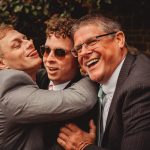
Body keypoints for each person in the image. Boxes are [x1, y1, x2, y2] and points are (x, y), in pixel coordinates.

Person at [57, 14, 150, 150]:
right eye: (79, 49)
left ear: (119, 40)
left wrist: (84, 147)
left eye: (91, 42)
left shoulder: (140, 88)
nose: (83, 53)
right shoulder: (103, 78)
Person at [0, 24, 98, 150]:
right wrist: (94, 70)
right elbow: (80, 99)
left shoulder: (37, 77)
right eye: (17, 45)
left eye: (60, 52)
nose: (29, 43)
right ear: (2, 63)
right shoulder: (10, 88)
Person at [35, 16, 98, 149]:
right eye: (46, 50)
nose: (49, 59)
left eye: (60, 53)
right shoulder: (36, 79)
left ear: (77, 57)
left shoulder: (85, 104)